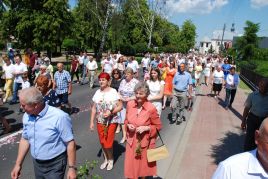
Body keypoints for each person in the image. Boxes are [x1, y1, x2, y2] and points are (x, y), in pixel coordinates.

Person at [10, 87, 76, 179]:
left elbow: (70, 143)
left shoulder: (59, 117)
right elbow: (25, 139)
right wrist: (18, 164)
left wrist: (71, 168)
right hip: (37, 163)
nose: (21, 108)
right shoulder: (26, 116)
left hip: (55, 164)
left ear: (35, 105)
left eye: (23, 105)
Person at [124, 82, 162, 179]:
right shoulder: (130, 104)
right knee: (131, 166)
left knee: (142, 168)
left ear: (147, 94)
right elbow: (126, 120)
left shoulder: (151, 108)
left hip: (144, 143)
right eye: (136, 93)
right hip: (131, 142)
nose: (137, 96)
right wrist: (128, 125)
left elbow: (158, 126)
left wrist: (147, 128)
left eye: (141, 94)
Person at [90, 72, 123, 171]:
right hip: (100, 120)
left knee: (108, 142)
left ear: (108, 81)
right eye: (100, 80)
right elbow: (94, 109)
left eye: (103, 80)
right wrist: (91, 122)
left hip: (112, 120)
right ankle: (106, 159)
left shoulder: (113, 92)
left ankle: (111, 159)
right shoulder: (97, 92)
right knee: (102, 142)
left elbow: (120, 106)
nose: (101, 81)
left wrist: (111, 112)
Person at [242, 78, 268, 151]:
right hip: (252, 119)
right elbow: (246, 109)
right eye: (261, 85)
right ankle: (245, 153)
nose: (263, 87)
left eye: (265, 86)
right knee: (249, 137)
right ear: (259, 85)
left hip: (264, 121)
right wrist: (243, 121)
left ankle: (257, 154)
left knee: (261, 139)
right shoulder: (252, 95)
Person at [118, 67, 139, 143]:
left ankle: (132, 135)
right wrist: (121, 98)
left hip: (133, 103)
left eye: (128, 74)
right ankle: (124, 136)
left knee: (131, 120)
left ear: (132, 74)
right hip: (123, 104)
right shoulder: (122, 81)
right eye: (125, 73)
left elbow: (138, 94)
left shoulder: (136, 82)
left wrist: (129, 99)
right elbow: (119, 92)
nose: (126, 75)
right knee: (123, 120)